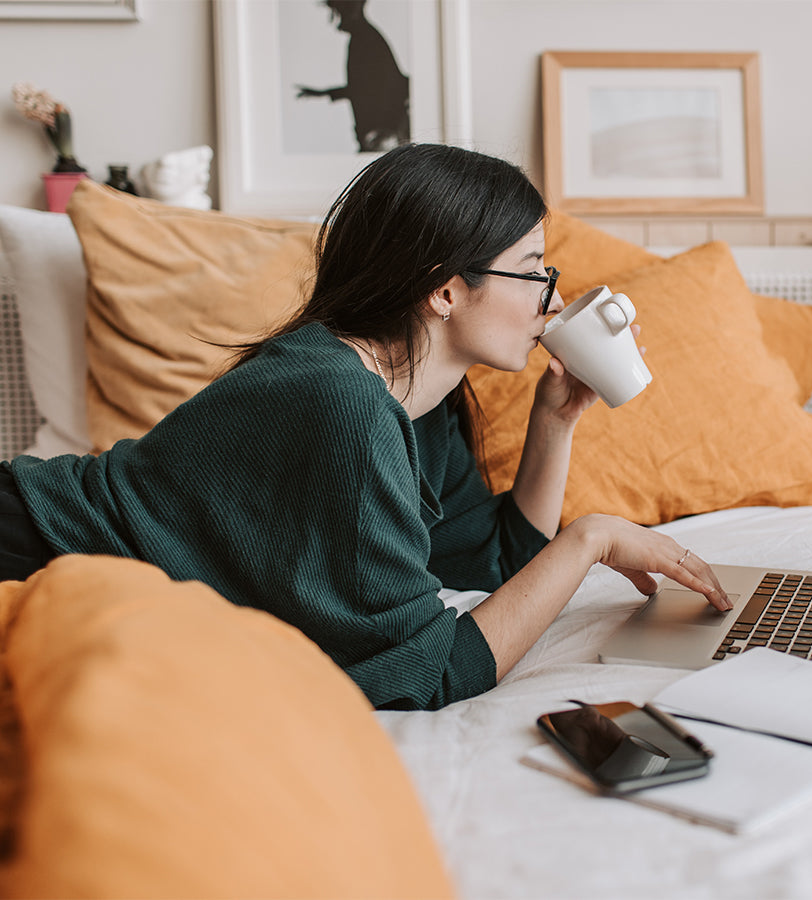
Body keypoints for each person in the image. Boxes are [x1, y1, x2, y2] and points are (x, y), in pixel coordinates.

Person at [0, 143, 729, 711]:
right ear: (446, 289)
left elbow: (490, 575)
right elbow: (432, 671)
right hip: (29, 551)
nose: (553, 297)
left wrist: (555, 424)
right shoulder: (341, 404)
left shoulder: (420, 399)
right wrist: (592, 538)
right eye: (534, 268)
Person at [296, 0, 410, 152]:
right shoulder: (364, 39)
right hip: (377, 135)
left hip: (381, 137)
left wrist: (385, 131)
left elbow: (392, 85)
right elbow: (362, 88)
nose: (336, 18)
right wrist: (321, 93)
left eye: (338, 11)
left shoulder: (366, 40)